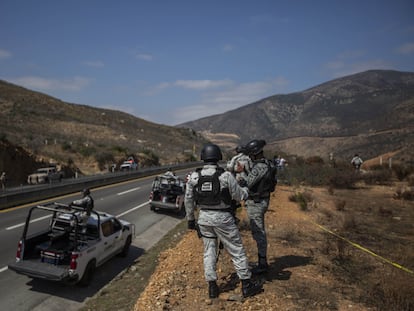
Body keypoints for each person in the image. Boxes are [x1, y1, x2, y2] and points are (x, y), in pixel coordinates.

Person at [185, 143, 263, 299]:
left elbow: (188, 200)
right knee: (236, 250)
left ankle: (212, 287)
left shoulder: (194, 177)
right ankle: (246, 285)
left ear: (203, 157)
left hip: (204, 218)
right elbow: (240, 196)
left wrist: (191, 221)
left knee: (209, 251)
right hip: (223, 218)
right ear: (218, 157)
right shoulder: (225, 176)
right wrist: (245, 188)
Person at [242, 139, 271, 274]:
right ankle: (262, 261)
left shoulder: (259, 167)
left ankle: (262, 263)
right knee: (259, 232)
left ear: (254, 154)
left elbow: (247, 183)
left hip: (256, 203)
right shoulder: (267, 164)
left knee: (258, 232)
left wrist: (242, 173)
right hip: (262, 200)